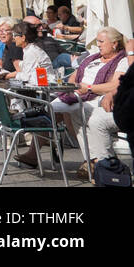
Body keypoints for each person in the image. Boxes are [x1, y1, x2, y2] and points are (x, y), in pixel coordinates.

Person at [50, 27, 129, 176]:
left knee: (79, 111)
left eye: (101, 41)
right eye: (97, 41)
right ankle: (97, 161)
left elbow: (115, 85)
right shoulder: (93, 58)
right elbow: (75, 75)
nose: (98, 45)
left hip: (97, 97)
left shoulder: (122, 60)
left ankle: (100, 162)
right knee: (57, 109)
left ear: (114, 44)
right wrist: (72, 85)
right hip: (79, 94)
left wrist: (90, 88)